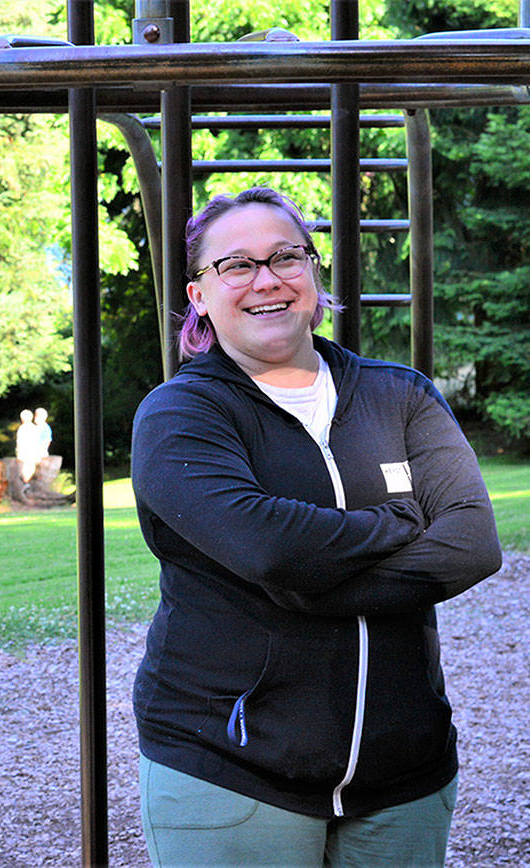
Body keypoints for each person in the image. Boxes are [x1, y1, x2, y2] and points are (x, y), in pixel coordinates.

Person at [130, 186, 502, 867]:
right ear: (200, 294)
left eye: (284, 257)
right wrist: (396, 521)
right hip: (231, 774)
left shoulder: (401, 394)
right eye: (235, 265)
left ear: (314, 272)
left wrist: (311, 584)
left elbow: (473, 543)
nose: (266, 279)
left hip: (404, 781)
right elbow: (267, 546)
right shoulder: (180, 416)